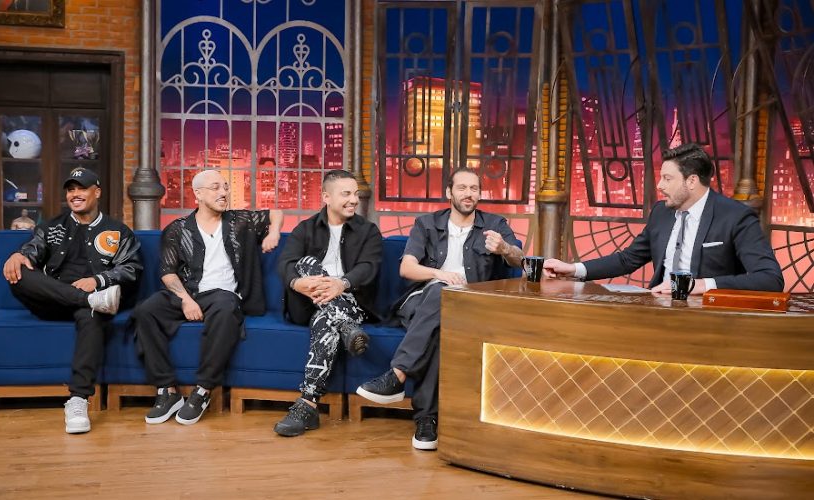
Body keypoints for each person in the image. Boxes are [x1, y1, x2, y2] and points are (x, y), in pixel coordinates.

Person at [356, 167, 524, 450]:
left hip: (470, 307)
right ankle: (422, 413)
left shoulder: (495, 225)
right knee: (440, 292)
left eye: (474, 189)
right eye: (462, 188)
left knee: (441, 327)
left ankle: (408, 392)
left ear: (480, 194)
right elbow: (407, 268)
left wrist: (505, 248)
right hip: (422, 300)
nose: (468, 194)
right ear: (449, 192)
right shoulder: (426, 224)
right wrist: (439, 274)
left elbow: (521, 259)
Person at [133, 169, 283, 426]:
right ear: (198, 194)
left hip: (224, 296)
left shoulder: (239, 221)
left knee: (226, 308)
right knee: (146, 310)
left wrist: (274, 233)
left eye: (225, 187)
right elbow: (168, 273)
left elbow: (275, 213)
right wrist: (186, 300)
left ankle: (202, 390)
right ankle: (167, 390)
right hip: (187, 292)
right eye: (215, 188)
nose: (223, 192)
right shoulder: (177, 229)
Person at [2, 167, 142, 434]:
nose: (75, 194)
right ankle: (90, 300)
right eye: (71, 190)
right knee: (18, 275)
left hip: (90, 304)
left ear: (96, 192)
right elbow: (33, 251)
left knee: (92, 316)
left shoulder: (118, 231)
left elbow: (132, 269)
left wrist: (98, 280)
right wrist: (20, 255)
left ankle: (78, 399)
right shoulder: (51, 227)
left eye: (81, 188)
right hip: (55, 299)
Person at [543, 143, 784, 294]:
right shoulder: (661, 212)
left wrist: (701, 285)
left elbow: (770, 278)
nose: (659, 186)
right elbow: (628, 259)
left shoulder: (736, 217)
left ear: (692, 181)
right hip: (658, 307)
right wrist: (573, 269)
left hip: (710, 317)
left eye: (667, 179)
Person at [273, 170, 383, 437]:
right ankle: (344, 326)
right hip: (308, 302)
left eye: (355, 194)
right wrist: (297, 283)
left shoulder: (368, 231)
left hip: (351, 303)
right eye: (346, 194)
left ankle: (307, 405)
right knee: (306, 262)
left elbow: (369, 267)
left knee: (326, 321)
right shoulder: (305, 229)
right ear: (326, 197)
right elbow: (286, 263)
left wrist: (341, 284)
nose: (353, 200)